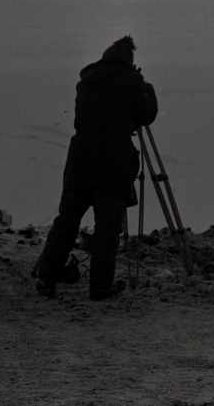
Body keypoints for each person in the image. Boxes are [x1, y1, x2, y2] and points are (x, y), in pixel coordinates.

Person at [33, 35, 158, 300]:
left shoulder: (85, 82)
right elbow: (146, 114)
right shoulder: (131, 81)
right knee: (107, 228)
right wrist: (148, 89)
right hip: (112, 163)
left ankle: (46, 279)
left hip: (80, 160)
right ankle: (100, 287)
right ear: (129, 61)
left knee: (66, 222)